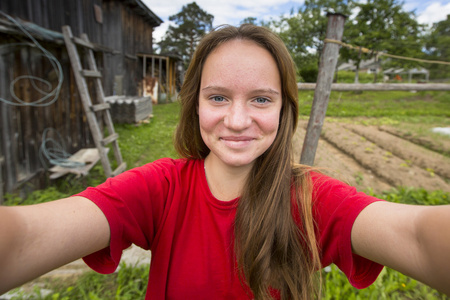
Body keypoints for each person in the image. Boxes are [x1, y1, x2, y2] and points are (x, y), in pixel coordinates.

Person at [0, 24, 449, 300]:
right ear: (195, 105)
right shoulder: (159, 188)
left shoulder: (312, 199)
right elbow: (24, 238)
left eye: (260, 99)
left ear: (283, 109)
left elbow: (416, 235)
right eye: (218, 97)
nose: (237, 121)